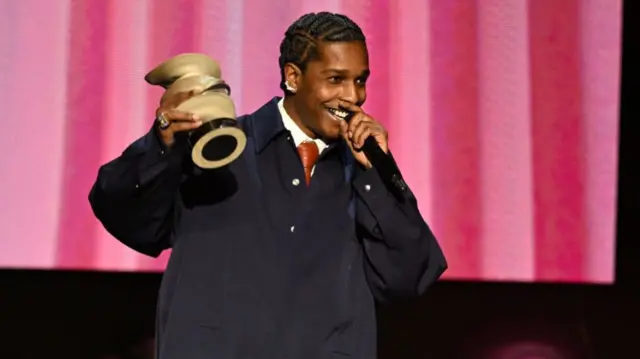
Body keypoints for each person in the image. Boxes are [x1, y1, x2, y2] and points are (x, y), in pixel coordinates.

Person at [89, 11, 447, 359]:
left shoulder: (365, 175)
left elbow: (410, 277)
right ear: (293, 77)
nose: (353, 96)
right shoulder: (219, 148)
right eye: (336, 79)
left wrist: (379, 175)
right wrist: (161, 147)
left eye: (360, 80)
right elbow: (123, 213)